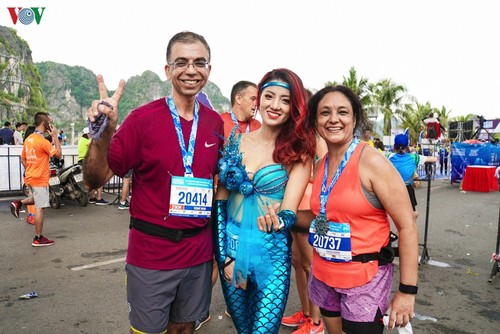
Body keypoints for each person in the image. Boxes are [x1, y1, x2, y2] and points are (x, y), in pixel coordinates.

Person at [83, 31, 224, 334]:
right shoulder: (142, 119)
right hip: (151, 253)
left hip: (198, 251)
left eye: (199, 62)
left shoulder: (215, 124)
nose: (191, 70)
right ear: (168, 70)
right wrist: (103, 131)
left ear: (208, 70)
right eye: (181, 62)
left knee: (185, 328)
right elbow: (94, 178)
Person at [305, 85, 419, 334]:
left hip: (364, 280)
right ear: (316, 120)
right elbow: (323, 216)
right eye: (325, 112)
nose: (333, 119)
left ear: (354, 119)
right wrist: (280, 217)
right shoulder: (321, 164)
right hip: (325, 274)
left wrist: (407, 291)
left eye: (342, 112)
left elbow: (407, 224)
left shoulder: (373, 162)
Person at [214, 68, 316, 334]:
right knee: (244, 329)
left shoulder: (298, 152)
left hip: (272, 257)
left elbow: (290, 212)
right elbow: (221, 203)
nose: (275, 105)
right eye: (269, 96)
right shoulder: (236, 141)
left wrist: (280, 221)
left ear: (294, 107)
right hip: (233, 253)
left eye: (285, 100)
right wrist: (223, 255)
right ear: (259, 98)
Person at [195, 80, 260, 331]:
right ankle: (200, 310)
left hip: (249, 204)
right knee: (214, 258)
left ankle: (237, 303)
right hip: (219, 200)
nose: (258, 103)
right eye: (254, 98)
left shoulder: (258, 126)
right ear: (239, 98)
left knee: (243, 253)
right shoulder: (217, 122)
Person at [282, 134, 327, 334]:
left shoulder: (316, 138)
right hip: (292, 205)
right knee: (298, 263)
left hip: (309, 207)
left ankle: (316, 321)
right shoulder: (291, 136)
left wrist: (302, 176)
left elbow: (326, 169)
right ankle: (306, 311)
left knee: (310, 265)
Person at [10, 112, 62, 246]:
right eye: (50, 122)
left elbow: (23, 158)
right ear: (45, 123)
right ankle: (38, 238)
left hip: (30, 176)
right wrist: (55, 137)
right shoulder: (43, 141)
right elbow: (58, 155)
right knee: (40, 207)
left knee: (37, 199)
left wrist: (30, 169)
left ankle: (19, 203)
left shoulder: (29, 139)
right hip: (39, 178)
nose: (51, 125)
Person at [386, 134, 438, 219]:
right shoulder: (413, 157)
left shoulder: (388, 156)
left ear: (394, 146)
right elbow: (434, 159)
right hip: (407, 190)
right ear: (407, 146)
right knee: (413, 214)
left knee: (396, 215)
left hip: (391, 189)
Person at [77, 127, 109, 206]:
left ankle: (92, 197)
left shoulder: (81, 140)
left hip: (81, 161)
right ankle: (99, 198)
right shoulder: (87, 141)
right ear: (87, 134)